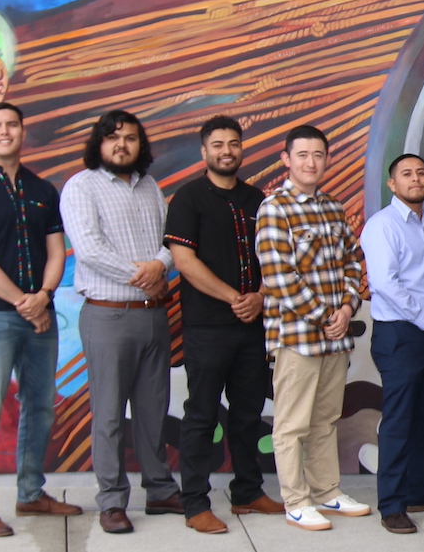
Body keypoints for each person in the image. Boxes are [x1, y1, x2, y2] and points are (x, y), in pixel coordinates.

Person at [0, 102, 83, 537]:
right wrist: (24, 302)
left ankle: (30, 495)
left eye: (12, 125)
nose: (4, 132)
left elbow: (56, 252)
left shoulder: (43, 189)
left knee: (40, 406)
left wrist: (42, 297)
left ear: (22, 132)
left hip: (38, 311)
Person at [60, 109, 181, 534]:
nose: (122, 145)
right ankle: (111, 500)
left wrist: (160, 266)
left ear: (139, 145)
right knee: (109, 413)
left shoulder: (150, 186)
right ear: (99, 143)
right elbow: (89, 249)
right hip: (108, 314)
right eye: (113, 138)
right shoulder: (82, 186)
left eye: (130, 138)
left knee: (153, 409)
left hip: (153, 316)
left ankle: (161, 488)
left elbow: (170, 241)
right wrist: (145, 275)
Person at [165, 115, 282, 535]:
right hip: (208, 327)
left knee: (248, 413)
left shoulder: (259, 200)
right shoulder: (187, 199)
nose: (226, 151)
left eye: (233, 143)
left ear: (241, 149)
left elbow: (277, 257)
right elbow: (184, 263)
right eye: (218, 145)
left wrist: (261, 296)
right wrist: (235, 297)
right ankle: (195, 502)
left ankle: (248, 492)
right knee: (200, 415)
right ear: (204, 151)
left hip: (253, 325)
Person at [257, 125, 372, 531]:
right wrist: (327, 316)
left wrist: (346, 308)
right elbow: (279, 277)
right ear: (286, 159)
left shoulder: (334, 209)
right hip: (297, 338)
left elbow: (353, 264)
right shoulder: (274, 209)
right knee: (291, 424)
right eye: (302, 154)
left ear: (326, 159)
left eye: (318, 154)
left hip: (335, 338)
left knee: (326, 420)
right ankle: (296, 500)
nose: (310, 162)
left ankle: (327, 492)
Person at [362, 154, 424, 533]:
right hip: (401, 335)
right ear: (393, 184)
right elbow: (386, 285)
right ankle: (391, 504)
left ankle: (422, 489)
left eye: (420, 172)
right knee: (399, 421)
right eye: (406, 174)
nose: (416, 178)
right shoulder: (382, 226)